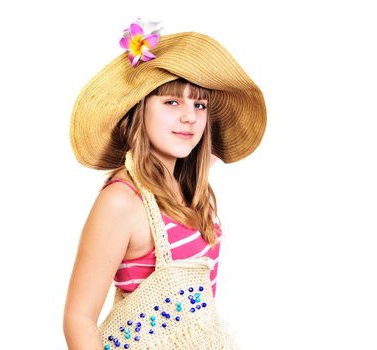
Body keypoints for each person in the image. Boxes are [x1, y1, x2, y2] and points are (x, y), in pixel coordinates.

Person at [63, 18, 266, 349]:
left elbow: (214, 149)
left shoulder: (192, 189)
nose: (189, 117)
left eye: (199, 104)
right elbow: (78, 319)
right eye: (171, 102)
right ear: (138, 110)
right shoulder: (123, 203)